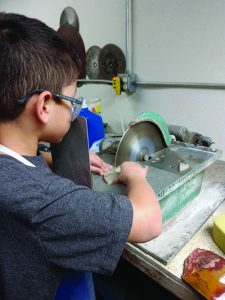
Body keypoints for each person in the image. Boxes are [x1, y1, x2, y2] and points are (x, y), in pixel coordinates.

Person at [0, 12, 162, 300]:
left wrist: (52, 159)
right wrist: (135, 177)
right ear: (45, 105)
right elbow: (149, 221)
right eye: (73, 101)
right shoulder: (43, 201)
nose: (76, 111)